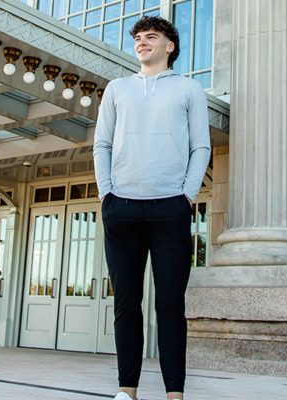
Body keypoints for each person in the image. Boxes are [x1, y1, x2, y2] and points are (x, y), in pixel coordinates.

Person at [93, 15, 211, 400]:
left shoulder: (189, 89)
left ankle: (174, 393)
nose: (142, 43)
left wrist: (187, 195)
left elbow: (201, 147)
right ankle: (127, 391)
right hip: (121, 207)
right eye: (139, 38)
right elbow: (103, 144)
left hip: (170, 209)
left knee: (170, 306)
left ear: (169, 46)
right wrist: (106, 194)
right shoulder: (117, 89)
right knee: (126, 304)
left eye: (151, 37)